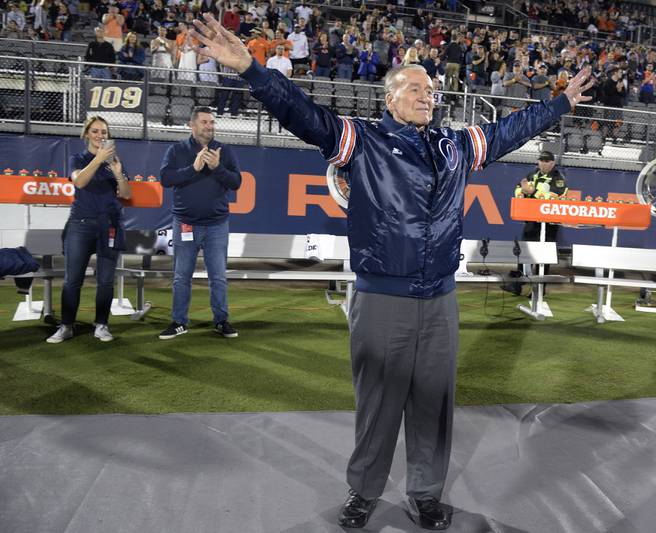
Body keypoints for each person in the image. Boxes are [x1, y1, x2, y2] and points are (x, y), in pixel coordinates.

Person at [189, 13, 592, 530]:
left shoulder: (456, 146)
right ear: (391, 98)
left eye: (431, 90)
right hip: (382, 298)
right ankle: (364, 492)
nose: (428, 96)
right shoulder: (362, 141)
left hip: (441, 298)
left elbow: (511, 129)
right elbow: (302, 113)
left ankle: (426, 494)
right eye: (417, 89)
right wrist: (252, 68)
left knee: (433, 404)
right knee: (378, 405)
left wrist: (558, 105)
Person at [158, 107, 241, 340]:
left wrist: (217, 168)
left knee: (218, 277)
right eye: (204, 122)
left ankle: (221, 320)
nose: (209, 126)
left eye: (212, 122)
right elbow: (166, 178)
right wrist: (193, 169)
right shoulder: (176, 150)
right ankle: (179, 322)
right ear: (192, 125)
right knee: (181, 277)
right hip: (186, 224)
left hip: (217, 225)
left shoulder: (225, 151)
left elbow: (236, 182)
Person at [47, 116, 131, 343]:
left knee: (105, 280)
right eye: (95, 131)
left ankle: (101, 325)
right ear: (86, 134)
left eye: (103, 132)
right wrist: (98, 160)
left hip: (110, 225)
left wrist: (118, 172)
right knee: (72, 279)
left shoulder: (114, 160)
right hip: (81, 225)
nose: (99, 136)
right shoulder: (78, 158)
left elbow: (126, 194)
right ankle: (66, 325)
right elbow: (79, 182)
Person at [502, 151, 567, 296]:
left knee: (543, 257)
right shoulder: (532, 174)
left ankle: (539, 290)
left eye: (546, 161)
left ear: (552, 163)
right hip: (531, 219)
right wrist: (522, 192)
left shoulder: (558, 178)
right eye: (541, 160)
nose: (543, 163)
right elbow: (519, 187)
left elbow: (555, 197)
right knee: (524, 252)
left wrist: (533, 191)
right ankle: (517, 285)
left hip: (549, 223)